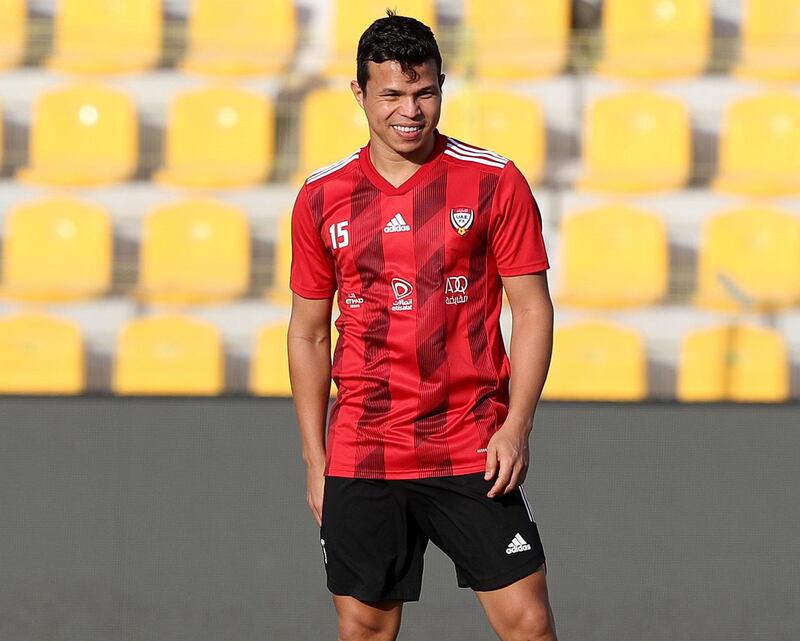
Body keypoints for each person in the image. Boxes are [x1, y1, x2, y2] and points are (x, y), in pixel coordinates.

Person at [287, 11, 557, 641]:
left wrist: (516, 427)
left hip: (470, 441)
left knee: (528, 622)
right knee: (365, 630)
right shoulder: (322, 196)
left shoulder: (494, 181)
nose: (409, 110)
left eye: (424, 92)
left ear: (442, 85)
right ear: (359, 93)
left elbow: (533, 308)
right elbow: (306, 331)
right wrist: (314, 459)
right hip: (364, 448)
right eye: (391, 94)